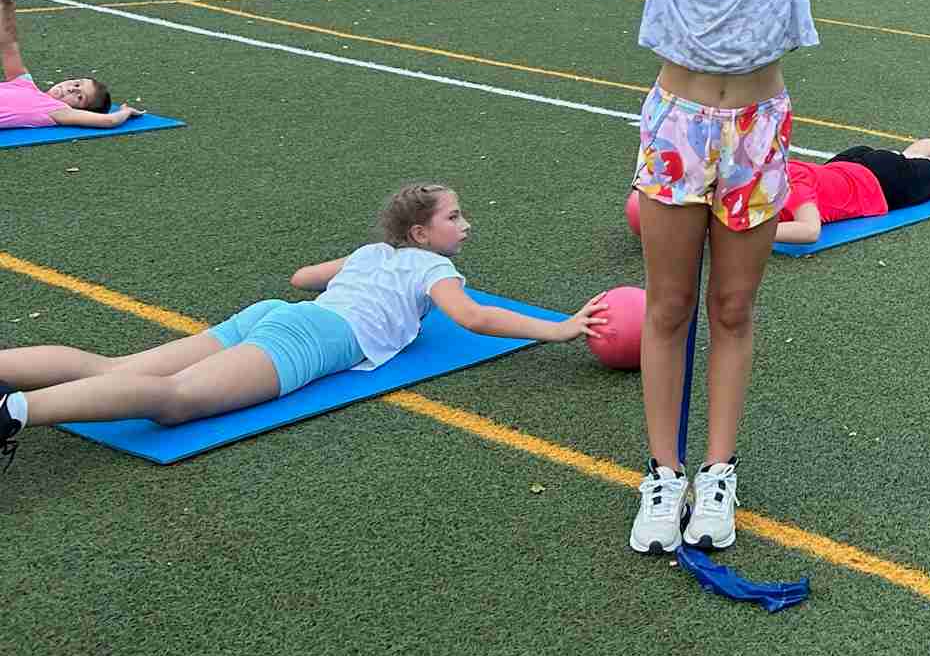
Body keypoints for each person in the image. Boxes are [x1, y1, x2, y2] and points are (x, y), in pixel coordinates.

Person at [626, 0, 826, 558]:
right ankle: (663, 474)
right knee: (669, 308)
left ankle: (716, 474)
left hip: (757, 131)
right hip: (678, 126)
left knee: (735, 308)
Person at [0, 184, 605, 465]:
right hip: (313, 338)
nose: (465, 224)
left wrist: (364, 280)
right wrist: (557, 328)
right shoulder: (432, 266)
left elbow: (301, 278)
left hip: (276, 315)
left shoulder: (374, 253)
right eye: (454, 216)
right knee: (174, 401)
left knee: (115, 368)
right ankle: (14, 412)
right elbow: (472, 316)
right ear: (422, 233)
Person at [775, 121, 930, 245]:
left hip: (877, 182)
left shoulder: (790, 185)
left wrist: (756, 233)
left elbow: (810, 230)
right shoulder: (778, 171)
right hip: (854, 164)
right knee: (907, 159)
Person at [0, 0, 133, 130]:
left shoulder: (57, 111)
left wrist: (126, 111)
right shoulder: (23, 83)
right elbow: (9, 44)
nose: (71, 89)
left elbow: (110, 121)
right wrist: (6, 2)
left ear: (79, 110)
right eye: (77, 84)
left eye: (80, 97)